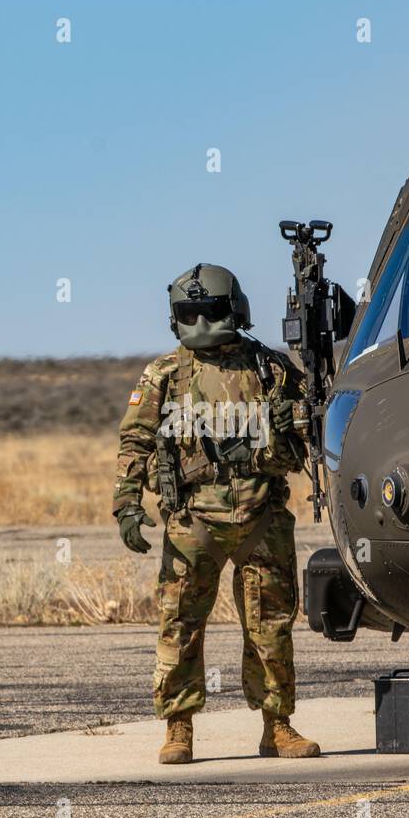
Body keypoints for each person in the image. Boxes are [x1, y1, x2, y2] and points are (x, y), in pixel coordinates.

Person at [112, 263, 321, 765]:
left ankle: (278, 727)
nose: (202, 320)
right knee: (180, 623)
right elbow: (136, 438)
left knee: (270, 625)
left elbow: (310, 429)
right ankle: (178, 728)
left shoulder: (272, 369)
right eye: (194, 311)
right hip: (193, 520)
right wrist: (126, 502)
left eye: (210, 310)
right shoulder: (164, 374)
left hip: (261, 515)